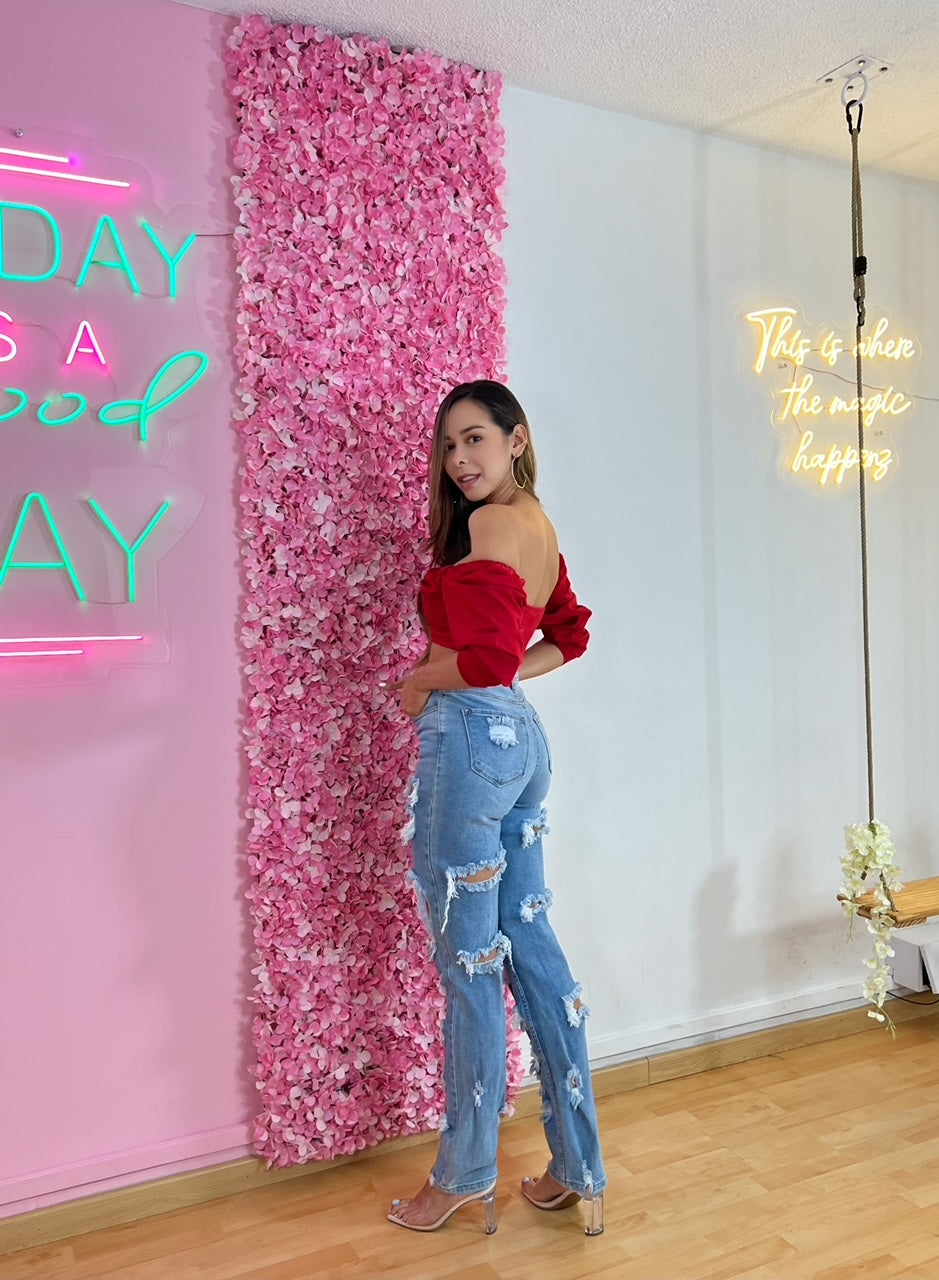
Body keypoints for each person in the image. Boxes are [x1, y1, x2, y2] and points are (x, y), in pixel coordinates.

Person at [386, 380, 606, 1236]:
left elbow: (478, 661)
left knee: (471, 969)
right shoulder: (537, 526)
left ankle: (464, 1175)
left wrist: (420, 681)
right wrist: (499, 674)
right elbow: (566, 636)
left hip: (470, 743)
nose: (459, 459)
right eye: (449, 446)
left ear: (517, 439)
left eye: (475, 438)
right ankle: (578, 1166)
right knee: (534, 948)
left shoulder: (487, 527)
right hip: (522, 743)